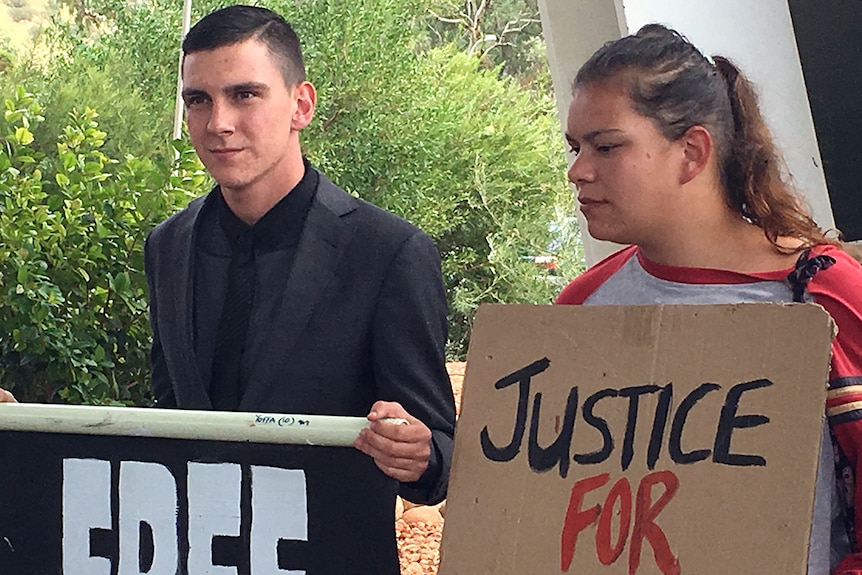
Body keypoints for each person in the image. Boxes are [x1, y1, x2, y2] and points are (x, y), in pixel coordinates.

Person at [143, 4, 455, 571]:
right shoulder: (167, 247)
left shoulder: (389, 253)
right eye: (198, 99)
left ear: (301, 105)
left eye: (245, 95)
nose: (218, 122)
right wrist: (28, 432)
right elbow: (166, 417)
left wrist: (420, 454)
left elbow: (440, 453)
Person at [556, 24, 862, 574]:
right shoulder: (580, 307)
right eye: (575, 148)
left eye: (605, 146)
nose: (578, 170)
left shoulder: (823, 293)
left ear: (692, 152)